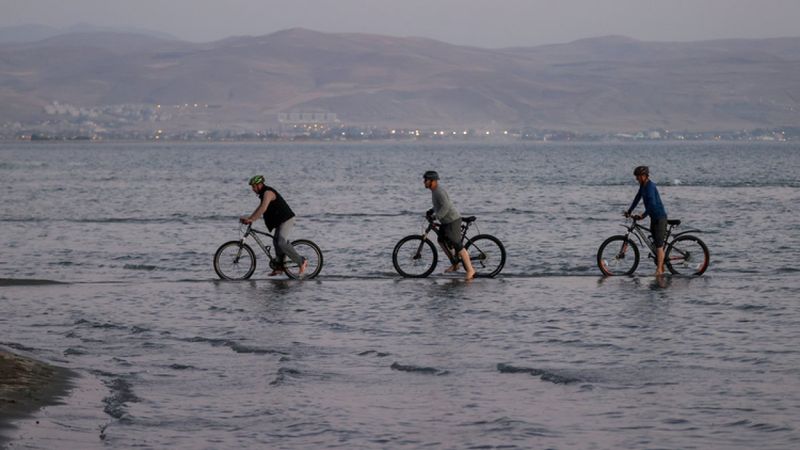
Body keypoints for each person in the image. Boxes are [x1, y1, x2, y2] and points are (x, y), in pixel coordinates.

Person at [240, 175, 307, 276]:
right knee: (276, 242)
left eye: (254, 187)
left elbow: (263, 208)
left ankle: (301, 261)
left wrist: (252, 219)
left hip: (286, 219)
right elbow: (259, 208)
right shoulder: (263, 194)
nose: (253, 189)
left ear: (259, 185)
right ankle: (279, 267)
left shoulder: (268, 193)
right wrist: (250, 218)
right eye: (252, 187)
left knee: (281, 242)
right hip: (280, 221)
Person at [423, 170, 476, 280]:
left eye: (426, 180)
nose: (424, 182)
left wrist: (436, 216)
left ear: (432, 181)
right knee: (441, 240)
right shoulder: (435, 191)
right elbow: (440, 205)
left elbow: (446, 206)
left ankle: (470, 270)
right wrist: (431, 210)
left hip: (452, 220)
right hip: (446, 221)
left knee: (457, 244)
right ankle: (455, 264)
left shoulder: (438, 191)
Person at [625, 165, 668, 276]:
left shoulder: (650, 187)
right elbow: (637, 198)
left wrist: (643, 216)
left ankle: (659, 271)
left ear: (644, 176)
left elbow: (652, 205)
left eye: (638, 176)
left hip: (659, 218)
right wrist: (629, 211)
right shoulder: (643, 186)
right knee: (655, 244)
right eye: (636, 177)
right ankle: (662, 266)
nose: (636, 179)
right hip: (653, 219)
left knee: (658, 245)